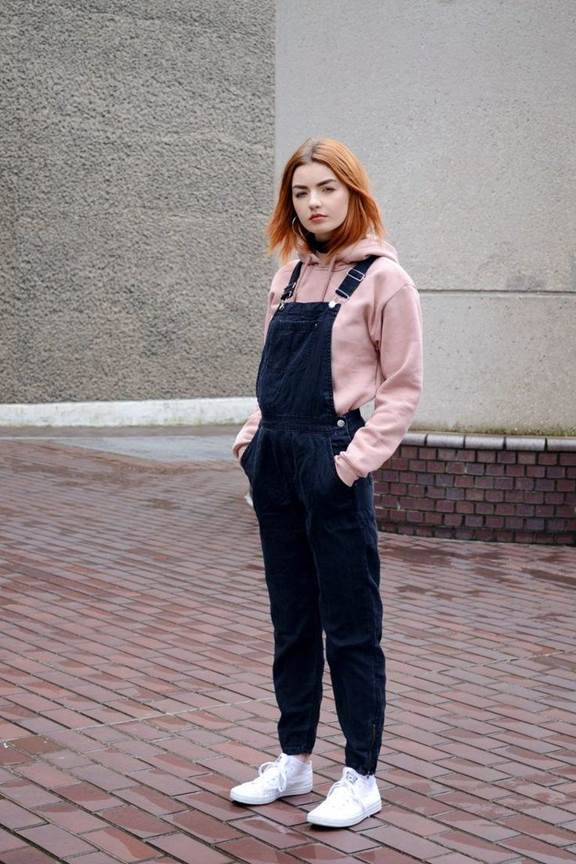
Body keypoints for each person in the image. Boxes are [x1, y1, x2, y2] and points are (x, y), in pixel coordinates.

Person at [229, 137, 423, 828]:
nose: (312, 203)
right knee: (293, 620)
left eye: (325, 189)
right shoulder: (285, 276)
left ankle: (361, 775)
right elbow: (270, 372)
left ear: (352, 191)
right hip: (276, 457)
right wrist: (251, 439)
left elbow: (401, 390)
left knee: (350, 627)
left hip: (332, 459)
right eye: (301, 192)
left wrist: (350, 463)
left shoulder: (382, 280)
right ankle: (294, 761)